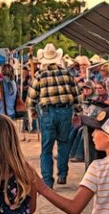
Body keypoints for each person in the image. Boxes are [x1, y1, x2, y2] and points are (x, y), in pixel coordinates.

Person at [27, 43, 79, 187]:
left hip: (48, 112)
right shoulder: (66, 73)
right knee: (63, 144)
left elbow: (31, 98)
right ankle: (62, 174)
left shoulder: (39, 75)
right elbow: (76, 94)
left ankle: (48, 181)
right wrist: (78, 112)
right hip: (65, 111)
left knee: (46, 148)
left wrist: (32, 111)